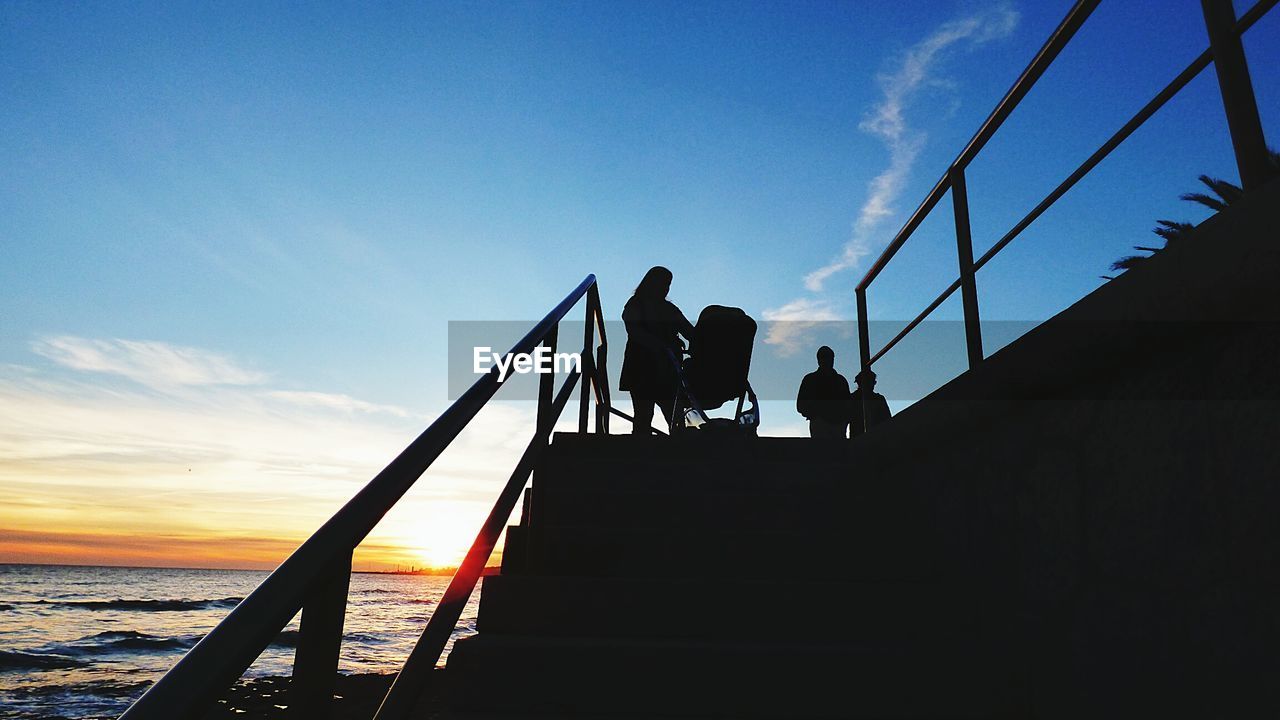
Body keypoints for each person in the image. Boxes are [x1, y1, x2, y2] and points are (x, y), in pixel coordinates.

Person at [619, 266, 695, 434]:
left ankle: (676, 448)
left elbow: (690, 332)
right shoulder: (636, 304)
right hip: (642, 365)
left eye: (668, 284)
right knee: (645, 414)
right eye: (663, 283)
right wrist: (661, 346)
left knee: (673, 415)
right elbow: (634, 330)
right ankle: (645, 449)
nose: (666, 288)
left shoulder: (669, 309)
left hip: (666, 368)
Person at [797, 346, 851, 438]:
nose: (827, 360)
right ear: (818, 360)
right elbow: (801, 405)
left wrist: (844, 420)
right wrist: (816, 416)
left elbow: (848, 405)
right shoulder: (810, 379)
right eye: (824, 357)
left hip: (838, 425)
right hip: (821, 425)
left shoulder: (840, 380)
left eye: (829, 357)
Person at [849, 369, 891, 437]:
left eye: (872, 382)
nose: (871, 385)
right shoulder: (853, 398)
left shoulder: (879, 399)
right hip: (862, 438)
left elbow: (887, 421)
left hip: (874, 437)